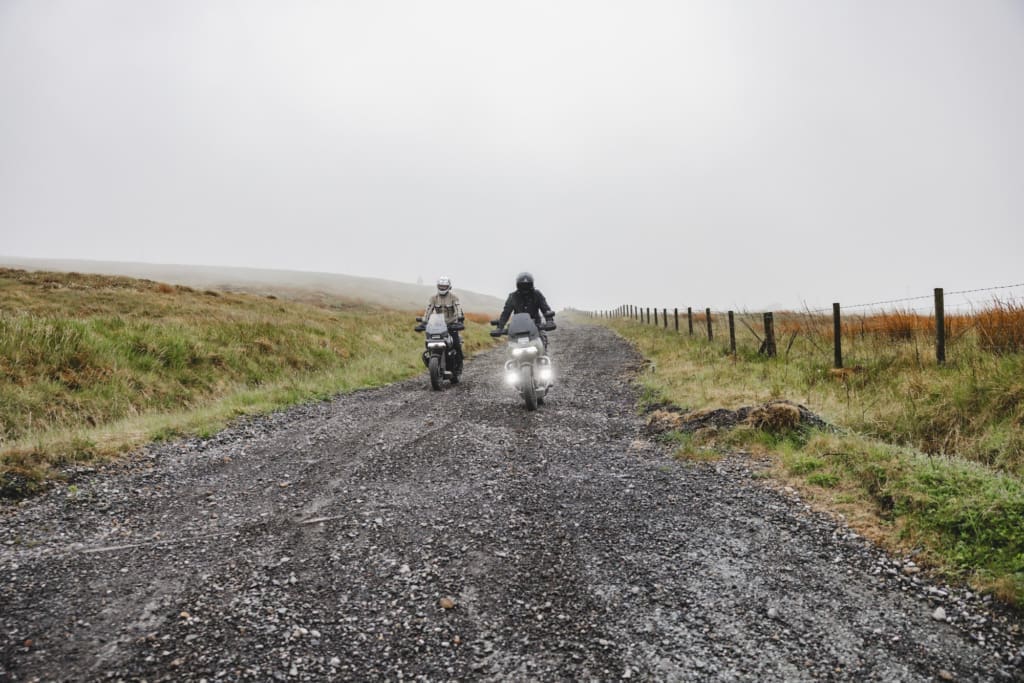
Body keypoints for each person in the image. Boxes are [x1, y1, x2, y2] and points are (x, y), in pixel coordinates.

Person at [494, 272, 555, 347]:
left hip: (536, 327)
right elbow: (506, 313)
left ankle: (544, 357)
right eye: (522, 285)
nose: (525, 287)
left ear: (531, 284)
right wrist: (500, 327)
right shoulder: (513, 296)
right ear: (518, 285)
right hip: (517, 329)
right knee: (511, 347)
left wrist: (549, 320)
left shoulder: (537, 294)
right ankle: (511, 358)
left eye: (527, 285)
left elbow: (545, 308)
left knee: (543, 341)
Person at [422, 275, 464, 370]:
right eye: (440, 286)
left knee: (456, 345)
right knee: (429, 343)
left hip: (452, 325)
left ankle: (459, 363)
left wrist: (460, 319)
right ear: (437, 286)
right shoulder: (433, 298)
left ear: (448, 287)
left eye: (444, 286)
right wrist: (424, 321)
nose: (442, 288)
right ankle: (431, 360)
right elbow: (428, 310)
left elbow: (458, 309)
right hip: (438, 325)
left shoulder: (454, 297)